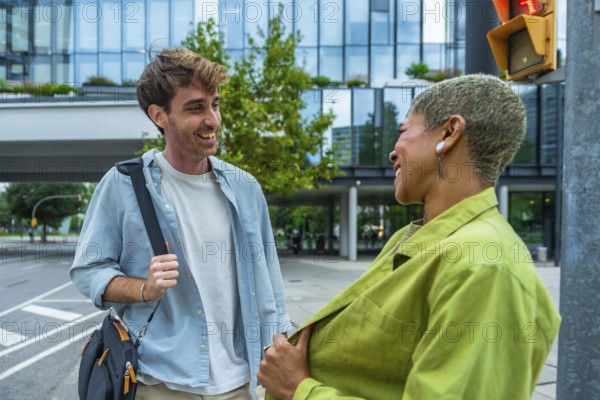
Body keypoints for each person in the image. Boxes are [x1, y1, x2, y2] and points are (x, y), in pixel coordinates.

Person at [258, 74, 561, 399]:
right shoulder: (415, 235)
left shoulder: (484, 264)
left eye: (403, 131)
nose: (392, 152)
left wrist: (299, 390)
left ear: (449, 133)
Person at [70, 48, 291, 399]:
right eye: (195, 108)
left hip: (240, 382)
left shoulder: (245, 188)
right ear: (159, 115)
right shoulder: (123, 185)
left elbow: (271, 282)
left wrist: (281, 348)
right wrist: (143, 288)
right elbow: (88, 270)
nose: (213, 120)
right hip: (160, 382)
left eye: (215, 104)